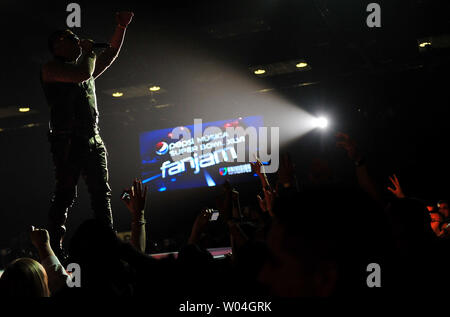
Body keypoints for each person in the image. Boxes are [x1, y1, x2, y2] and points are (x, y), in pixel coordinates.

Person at [40, 12, 135, 258]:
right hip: (67, 141)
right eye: (70, 38)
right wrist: (89, 52)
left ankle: (108, 242)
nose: (76, 41)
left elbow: (111, 54)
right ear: (57, 44)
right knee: (65, 194)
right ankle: (54, 248)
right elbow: (82, 73)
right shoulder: (51, 69)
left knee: (101, 192)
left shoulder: (86, 67)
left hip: (92, 138)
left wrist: (120, 27)